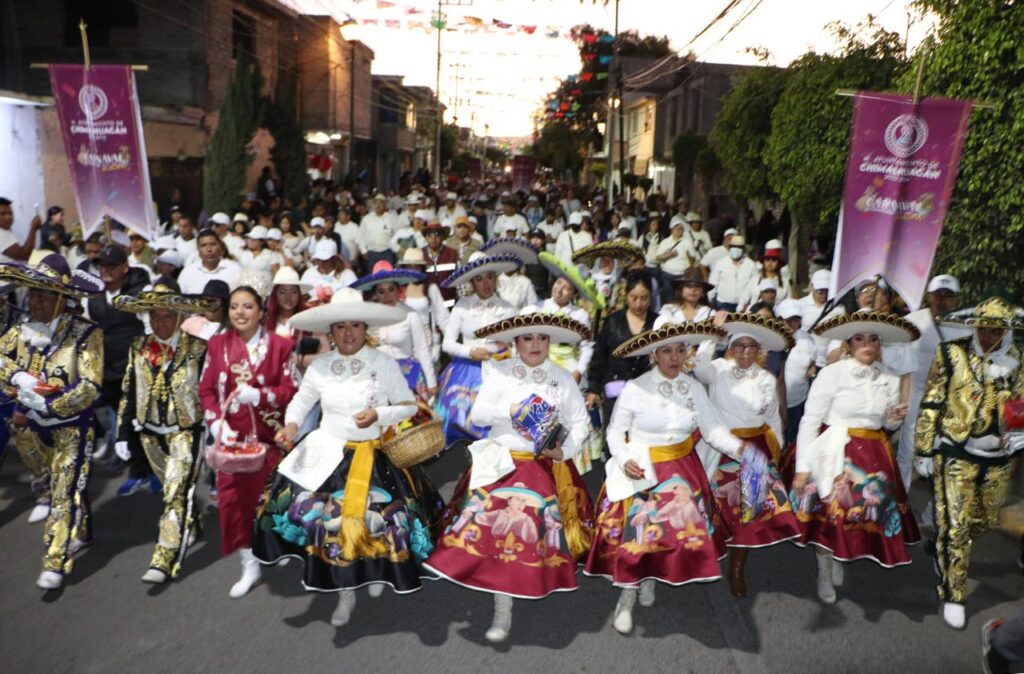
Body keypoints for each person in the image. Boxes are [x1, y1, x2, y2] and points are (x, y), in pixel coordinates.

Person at [254, 288, 443, 627]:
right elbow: (301, 401)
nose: (348, 333)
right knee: (328, 526)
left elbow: (406, 405)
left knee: (381, 523)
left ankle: (374, 575)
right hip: (327, 453)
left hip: (374, 455)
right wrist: (292, 425)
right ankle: (345, 594)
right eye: (340, 326)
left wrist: (379, 415)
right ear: (331, 331)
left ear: (365, 327)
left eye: (355, 325)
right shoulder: (322, 366)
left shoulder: (383, 363)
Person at [424, 310, 595, 643]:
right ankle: (499, 604)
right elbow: (480, 414)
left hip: (544, 467)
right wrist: (515, 411)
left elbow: (580, 424)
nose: (535, 344)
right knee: (485, 530)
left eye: (542, 338)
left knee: (528, 537)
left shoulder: (561, 378)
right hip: (500, 464)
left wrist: (566, 450)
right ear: (516, 342)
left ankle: (514, 599)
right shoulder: (499, 371)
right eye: (528, 338)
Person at [584, 320, 750, 634]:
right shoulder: (635, 388)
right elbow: (615, 432)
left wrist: (741, 449)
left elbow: (713, 429)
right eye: (666, 350)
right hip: (643, 468)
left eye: (680, 350)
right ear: (653, 355)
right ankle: (627, 596)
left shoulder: (693, 388)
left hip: (683, 468)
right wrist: (624, 458)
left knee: (672, 534)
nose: (674, 357)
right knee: (637, 535)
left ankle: (651, 578)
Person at [792, 311, 922, 604]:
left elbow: (887, 424)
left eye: (873, 339)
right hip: (836, 452)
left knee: (864, 514)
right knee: (831, 513)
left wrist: (893, 418)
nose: (867, 344)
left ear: (880, 345)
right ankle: (824, 569)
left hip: (874, 453)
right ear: (849, 344)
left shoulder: (888, 376)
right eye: (860, 338)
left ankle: (839, 554)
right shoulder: (831, 373)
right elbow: (810, 420)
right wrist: (802, 467)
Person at [915, 293, 1024, 629]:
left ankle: (942, 541)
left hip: (999, 457)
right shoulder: (951, 353)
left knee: (986, 520)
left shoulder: (1019, 360)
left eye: (995, 331)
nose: (987, 336)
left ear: (1007, 332)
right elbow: (932, 401)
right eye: (983, 329)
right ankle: (953, 593)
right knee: (958, 526)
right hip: (955, 451)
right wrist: (923, 449)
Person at [0, 254, 104, 590]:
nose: (35, 300)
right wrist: (17, 376)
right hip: (34, 428)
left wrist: (50, 403)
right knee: (72, 484)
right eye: (32, 293)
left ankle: (55, 560)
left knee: (62, 489)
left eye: (43, 294)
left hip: (73, 426)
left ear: (61, 297)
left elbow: (90, 386)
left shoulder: (86, 333)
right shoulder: (20, 330)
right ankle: (84, 531)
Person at [691, 313, 801, 598]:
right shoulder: (717, 369)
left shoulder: (766, 377)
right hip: (720, 446)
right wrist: (712, 333)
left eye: (752, 347)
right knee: (711, 507)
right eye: (739, 346)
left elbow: (772, 417)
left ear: (759, 350)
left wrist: (776, 449)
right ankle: (708, 556)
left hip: (754, 449)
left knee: (748, 512)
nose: (745, 353)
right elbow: (698, 366)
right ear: (729, 347)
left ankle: (737, 566)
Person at [197, 285, 297, 598]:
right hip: (232, 441)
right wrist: (216, 422)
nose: (240, 313)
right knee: (234, 503)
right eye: (235, 306)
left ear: (261, 311)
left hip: (269, 436)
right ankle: (248, 562)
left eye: (248, 306)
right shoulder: (217, 345)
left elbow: (290, 390)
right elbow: (207, 391)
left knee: (271, 498)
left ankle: (272, 545)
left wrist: (262, 395)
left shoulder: (281, 346)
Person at [112, 279, 213, 583]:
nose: (161, 322)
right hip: (149, 433)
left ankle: (163, 557)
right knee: (174, 491)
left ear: (180, 316)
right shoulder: (138, 347)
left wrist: (213, 425)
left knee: (173, 492)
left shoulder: (198, 348)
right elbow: (128, 390)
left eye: (167, 315)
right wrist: (121, 433)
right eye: (154, 316)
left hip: (186, 430)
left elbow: (209, 389)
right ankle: (190, 524)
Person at [85, 246, 153, 490]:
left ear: (125, 267)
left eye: (111, 266)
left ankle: (150, 469)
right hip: (109, 371)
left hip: (136, 368)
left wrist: (148, 364)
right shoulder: (92, 296)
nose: (105, 271)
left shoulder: (141, 292)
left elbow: (150, 328)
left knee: (140, 420)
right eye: (102, 266)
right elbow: (89, 329)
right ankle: (139, 469)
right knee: (123, 421)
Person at [435, 253, 519, 446]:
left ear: (496, 279)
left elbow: (516, 344)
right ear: (472, 282)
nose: (485, 283)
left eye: (490, 277)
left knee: (495, 419)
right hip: (466, 370)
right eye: (479, 279)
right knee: (461, 415)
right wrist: (471, 352)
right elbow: (447, 343)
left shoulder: (507, 308)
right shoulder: (462, 306)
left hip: (498, 369)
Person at [898, 274, 970, 490]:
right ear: (929, 296)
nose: (942, 300)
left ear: (957, 298)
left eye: (949, 296)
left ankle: (935, 513)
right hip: (915, 393)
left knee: (944, 452)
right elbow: (900, 360)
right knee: (908, 449)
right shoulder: (912, 322)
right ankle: (902, 504)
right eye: (938, 294)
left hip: (950, 400)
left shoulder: (967, 327)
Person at [350, 263, 437, 401]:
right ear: (375, 294)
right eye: (381, 291)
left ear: (398, 290)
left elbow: (422, 349)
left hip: (407, 377)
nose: (387, 296)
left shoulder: (410, 315)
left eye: (391, 289)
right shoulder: (368, 318)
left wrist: (431, 382)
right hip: (377, 377)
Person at [586, 272, 658, 430]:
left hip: (647, 388)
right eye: (634, 297)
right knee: (614, 431)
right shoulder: (613, 321)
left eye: (644, 298)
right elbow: (599, 357)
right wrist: (593, 389)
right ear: (626, 295)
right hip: (615, 385)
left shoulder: (657, 323)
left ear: (651, 297)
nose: (638, 304)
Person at [177, 229, 241, 295]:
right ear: (198, 250)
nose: (209, 249)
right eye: (203, 245)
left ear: (220, 246)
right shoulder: (188, 272)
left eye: (213, 244)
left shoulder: (235, 270)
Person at [707, 236, 757, 311]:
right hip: (723, 304)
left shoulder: (751, 265)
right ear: (730, 248)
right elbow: (713, 283)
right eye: (733, 247)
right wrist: (710, 300)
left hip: (743, 306)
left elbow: (754, 286)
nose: (736, 249)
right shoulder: (721, 263)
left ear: (743, 249)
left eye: (739, 247)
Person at [359, 194, 398, 268]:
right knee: (373, 277)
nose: (378, 205)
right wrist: (363, 250)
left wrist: (395, 250)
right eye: (376, 203)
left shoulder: (392, 218)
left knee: (388, 277)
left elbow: (397, 234)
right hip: (371, 253)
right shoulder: (366, 219)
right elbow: (360, 236)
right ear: (373, 205)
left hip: (388, 252)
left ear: (386, 205)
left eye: (381, 203)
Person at [0, 196, 43, 262]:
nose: (8, 217)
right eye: (3, 214)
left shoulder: (6, 231)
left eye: (10, 213)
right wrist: (33, 229)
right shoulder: (1, 234)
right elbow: (25, 256)